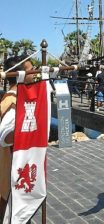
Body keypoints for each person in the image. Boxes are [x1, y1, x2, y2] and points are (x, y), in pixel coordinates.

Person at [0, 56, 34, 223]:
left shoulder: (20, 95)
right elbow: (5, 137)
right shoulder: (12, 100)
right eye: (30, 70)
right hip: (12, 166)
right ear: (20, 74)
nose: (34, 74)